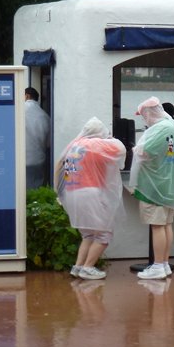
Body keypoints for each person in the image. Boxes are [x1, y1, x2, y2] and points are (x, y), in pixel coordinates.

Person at [56, 117, 126, 280]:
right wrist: (109, 137)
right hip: (90, 192)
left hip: (72, 192)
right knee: (103, 233)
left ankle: (78, 266)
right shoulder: (97, 145)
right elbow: (121, 150)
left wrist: (58, 192)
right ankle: (88, 268)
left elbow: (59, 165)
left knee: (88, 234)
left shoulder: (73, 145)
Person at [130, 97, 174, 280]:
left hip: (155, 185)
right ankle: (164, 264)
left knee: (157, 226)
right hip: (170, 184)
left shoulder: (160, 129)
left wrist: (134, 149)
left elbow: (143, 151)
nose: (143, 119)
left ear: (148, 113)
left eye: (143, 115)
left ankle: (157, 265)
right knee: (166, 225)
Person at [25, 87, 50, 188]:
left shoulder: (17, 111)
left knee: (19, 191)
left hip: (20, 159)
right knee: (35, 190)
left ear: (27, 96)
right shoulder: (44, 116)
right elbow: (49, 143)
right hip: (38, 160)